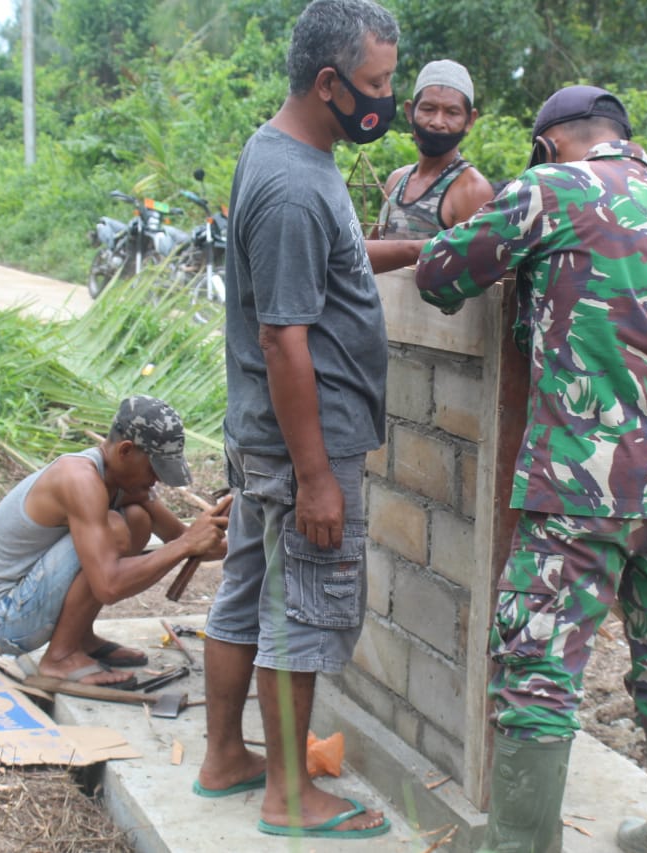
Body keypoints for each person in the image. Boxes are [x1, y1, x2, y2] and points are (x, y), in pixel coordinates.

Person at [415, 85, 647, 853]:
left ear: (552, 142)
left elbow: (439, 275)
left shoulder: (547, 190)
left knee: (538, 667)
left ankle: (520, 845)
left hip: (577, 485)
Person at [194, 0, 404, 840]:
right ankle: (290, 796)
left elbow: (341, 258)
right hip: (300, 449)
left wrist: (427, 248)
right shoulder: (291, 185)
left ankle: (224, 759)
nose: (387, 99)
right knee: (305, 611)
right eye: (378, 84)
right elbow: (285, 340)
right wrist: (318, 476)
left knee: (247, 597)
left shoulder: (290, 153)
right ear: (329, 83)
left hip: (265, 441)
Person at [0, 395, 231, 689]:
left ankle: (80, 638)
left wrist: (246, 537)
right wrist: (185, 546)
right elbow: (109, 586)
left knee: (137, 517)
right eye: (154, 468)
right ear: (126, 450)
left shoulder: (127, 482)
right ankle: (60, 657)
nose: (157, 480)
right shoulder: (79, 480)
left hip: (30, 603)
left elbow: (187, 540)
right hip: (6, 621)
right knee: (116, 527)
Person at [374, 59, 494, 241]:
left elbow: (474, 265)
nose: (437, 122)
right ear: (409, 112)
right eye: (428, 109)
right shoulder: (396, 180)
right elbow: (368, 254)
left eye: (452, 113)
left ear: (470, 120)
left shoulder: (472, 190)